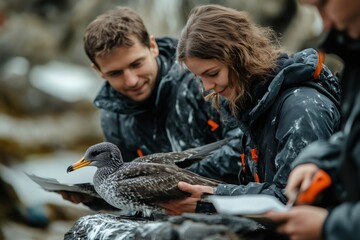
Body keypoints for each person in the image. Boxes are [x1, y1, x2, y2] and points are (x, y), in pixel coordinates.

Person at [159, 4, 341, 215]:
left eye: (213, 73)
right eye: (200, 78)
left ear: (239, 58)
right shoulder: (256, 105)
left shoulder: (301, 108)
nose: (207, 87)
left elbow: (291, 199)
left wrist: (212, 198)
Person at [60, 6, 245, 207]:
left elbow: (245, 145)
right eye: (115, 73)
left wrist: (166, 184)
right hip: (174, 215)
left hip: (236, 202)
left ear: (152, 46)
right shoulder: (113, 117)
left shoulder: (205, 81)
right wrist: (94, 197)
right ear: (99, 71)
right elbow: (127, 189)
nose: (131, 81)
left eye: (136, 64)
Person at [265, 0, 360, 239]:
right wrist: (317, 161)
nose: (325, 23)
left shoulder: (301, 104)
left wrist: (329, 226)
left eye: (323, 4)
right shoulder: (353, 50)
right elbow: (352, 137)